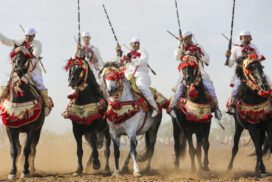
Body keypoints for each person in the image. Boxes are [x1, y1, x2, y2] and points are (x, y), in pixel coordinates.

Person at [169, 30, 222, 120]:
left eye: (189, 37)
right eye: (186, 38)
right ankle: (172, 107)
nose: (188, 39)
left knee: (210, 86)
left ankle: (216, 107)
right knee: (180, 87)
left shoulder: (198, 47)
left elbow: (207, 59)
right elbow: (176, 57)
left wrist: (199, 55)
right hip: (185, 71)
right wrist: (179, 43)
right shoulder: (181, 47)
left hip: (199, 70)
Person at [0, 28, 53, 116]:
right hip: (18, 70)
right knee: (6, 85)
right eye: (26, 36)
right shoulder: (20, 41)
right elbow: (7, 41)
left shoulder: (38, 44)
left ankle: (46, 105)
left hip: (33, 70)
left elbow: (35, 55)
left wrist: (25, 50)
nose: (27, 38)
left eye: (29, 36)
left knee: (40, 85)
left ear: (34, 36)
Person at [225, 30, 269, 114]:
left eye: (248, 37)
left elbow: (259, 58)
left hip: (254, 71)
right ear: (241, 38)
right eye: (244, 37)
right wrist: (227, 57)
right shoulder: (235, 48)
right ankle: (232, 104)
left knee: (267, 81)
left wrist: (254, 57)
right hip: (242, 73)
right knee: (236, 86)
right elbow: (230, 64)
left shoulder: (254, 47)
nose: (246, 39)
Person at [124, 37, 159, 117]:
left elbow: (143, 61)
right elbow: (126, 67)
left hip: (141, 74)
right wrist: (122, 58)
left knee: (142, 87)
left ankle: (155, 107)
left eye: (138, 43)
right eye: (134, 43)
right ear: (131, 45)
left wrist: (132, 61)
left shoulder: (142, 51)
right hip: (130, 76)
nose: (136, 44)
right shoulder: (129, 55)